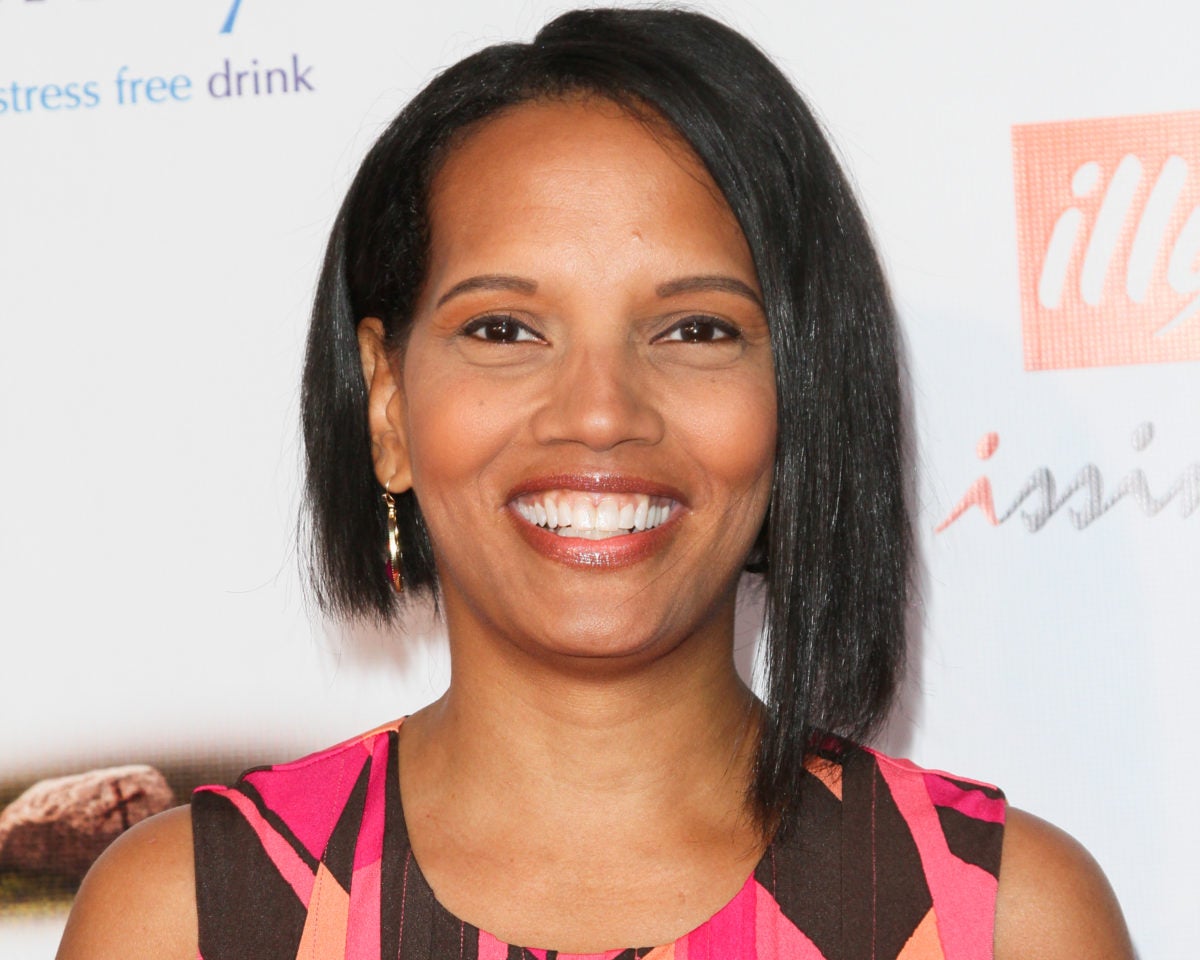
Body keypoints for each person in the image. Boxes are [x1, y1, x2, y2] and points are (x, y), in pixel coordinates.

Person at [57, 8, 1132, 959]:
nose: (602, 411)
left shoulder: (1002, 923)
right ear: (387, 406)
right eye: (504, 329)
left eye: (697, 329)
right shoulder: (192, 921)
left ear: (802, 396)